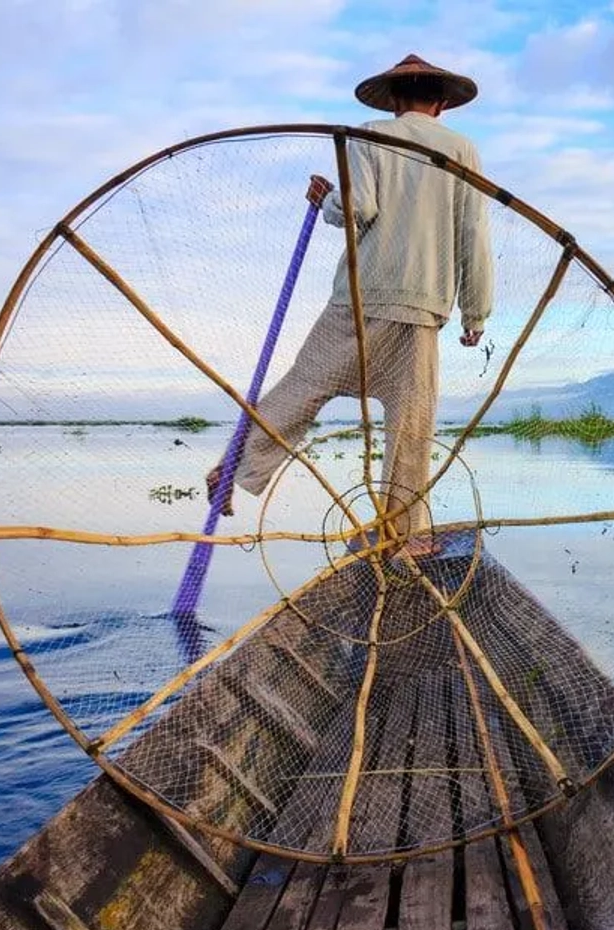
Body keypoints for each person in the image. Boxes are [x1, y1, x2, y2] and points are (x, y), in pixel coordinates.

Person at [207, 54, 493, 557]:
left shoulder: (370, 136)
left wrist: (327, 200)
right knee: (410, 422)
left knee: (305, 386)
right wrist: (476, 312)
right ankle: (402, 534)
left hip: (362, 295)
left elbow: (357, 208)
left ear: (395, 100)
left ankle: (235, 467)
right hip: (423, 302)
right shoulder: (462, 149)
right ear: (442, 105)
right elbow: (474, 231)